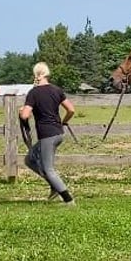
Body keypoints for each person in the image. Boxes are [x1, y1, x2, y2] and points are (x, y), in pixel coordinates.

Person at [19, 62, 76, 205]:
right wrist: (64, 122)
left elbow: (25, 115)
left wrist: (21, 112)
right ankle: (54, 186)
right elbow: (71, 110)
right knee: (30, 159)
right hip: (58, 133)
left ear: (36, 75)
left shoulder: (33, 93)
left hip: (47, 135)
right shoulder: (57, 90)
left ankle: (68, 200)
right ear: (47, 73)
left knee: (48, 169)